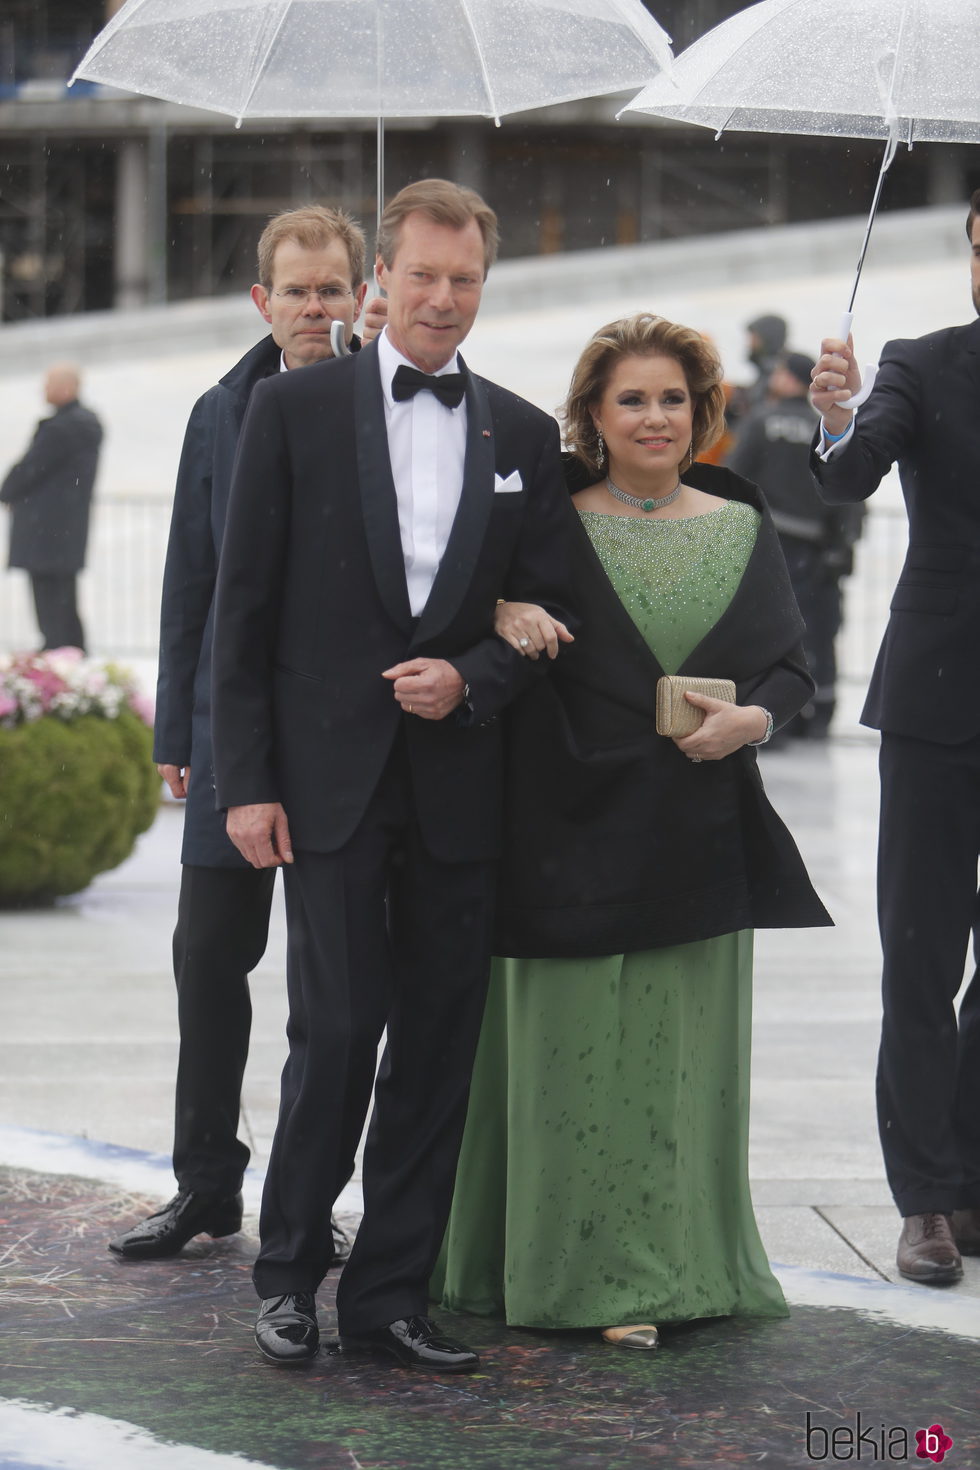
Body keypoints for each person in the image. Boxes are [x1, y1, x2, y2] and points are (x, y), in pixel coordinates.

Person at [209, 179, 575, 1370]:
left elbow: (555, 611)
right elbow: (242, 612)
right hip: (324, 786)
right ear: (382, 278)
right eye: (420, 275)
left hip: (462, 788)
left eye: (462, 280)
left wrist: (474, 675)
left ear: (482, 285)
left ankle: (391, 1297)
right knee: (335, 1030)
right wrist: (245, 784)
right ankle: (287, 1275)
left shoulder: (521, 434)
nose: (440, 299)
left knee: (435, 1046)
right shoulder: (294, 412)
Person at [433, 313, 831, 1348]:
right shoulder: (545, 518)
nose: (654, 418)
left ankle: (673, 1269)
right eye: (630, 400)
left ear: (701, 413)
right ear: (592, 418)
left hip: (695, 837)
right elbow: (465, 610)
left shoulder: (741, 520)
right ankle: (568, 1276)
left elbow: (790, 671)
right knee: (567, 1066)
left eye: (671, 399)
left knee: (669, 1073)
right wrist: (504, 613)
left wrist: (754, 720)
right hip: (560, 828)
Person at [109, 205, 377, 1266]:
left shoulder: (386, 402)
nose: (316, 307)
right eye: (297, 290)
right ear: (262, 300)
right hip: (235, 736)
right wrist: (179, 725)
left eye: (332, 287)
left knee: (335, 989)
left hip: (348, 744)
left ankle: (313, 1208)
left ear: (363, 292)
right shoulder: (218, 411)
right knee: (208, 958)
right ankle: (205, 1186)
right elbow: (192, 579)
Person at [809, 189, 980, 1287]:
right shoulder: (921, 363)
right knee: (920, 956)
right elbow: (845, 475)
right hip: (934, 703)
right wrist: (833, 416)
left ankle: (964, 1172)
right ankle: (923, 1201)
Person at [728, 351, 864, 738]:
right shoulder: (822, 427)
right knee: (816, 630)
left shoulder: (761, 421)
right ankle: (818, 714)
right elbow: (850, 491)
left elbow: (734, 478)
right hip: (816, 549)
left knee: (768, 630)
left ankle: (774, 718)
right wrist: (841, 548)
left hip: (766, 543)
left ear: (789, 379)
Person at [0, 363, 103, 652]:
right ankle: (70, 657)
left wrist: (7, 491)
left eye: (48, 383)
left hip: (47, 531)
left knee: (52, 606)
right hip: (62, 530)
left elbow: (30, 469)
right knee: (62, 602)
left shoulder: (63, 428)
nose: (43, 390)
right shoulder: (83, 424)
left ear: (67, 387)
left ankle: (60, 662)